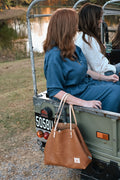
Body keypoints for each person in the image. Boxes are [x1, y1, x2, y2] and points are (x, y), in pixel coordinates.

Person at [43, 8, 120, 113]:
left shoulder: (73, 48)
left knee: (117, 83)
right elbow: (54, 91)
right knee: (115, 91)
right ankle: (106, 125)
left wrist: (106, 78)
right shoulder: (54, 55)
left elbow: (84, 71)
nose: (76, 27)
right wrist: (84, 103)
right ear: (66, 27)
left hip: (85, 85)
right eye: (74, 24)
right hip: (74, 93)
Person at [75, 3, 120, 78]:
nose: (102, 21)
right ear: (92, 20)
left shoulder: (83, 36)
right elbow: (99, 68)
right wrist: (114, 68)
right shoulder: (87, 39)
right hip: (105, 73)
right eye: (99, 18)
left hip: (103, 70)